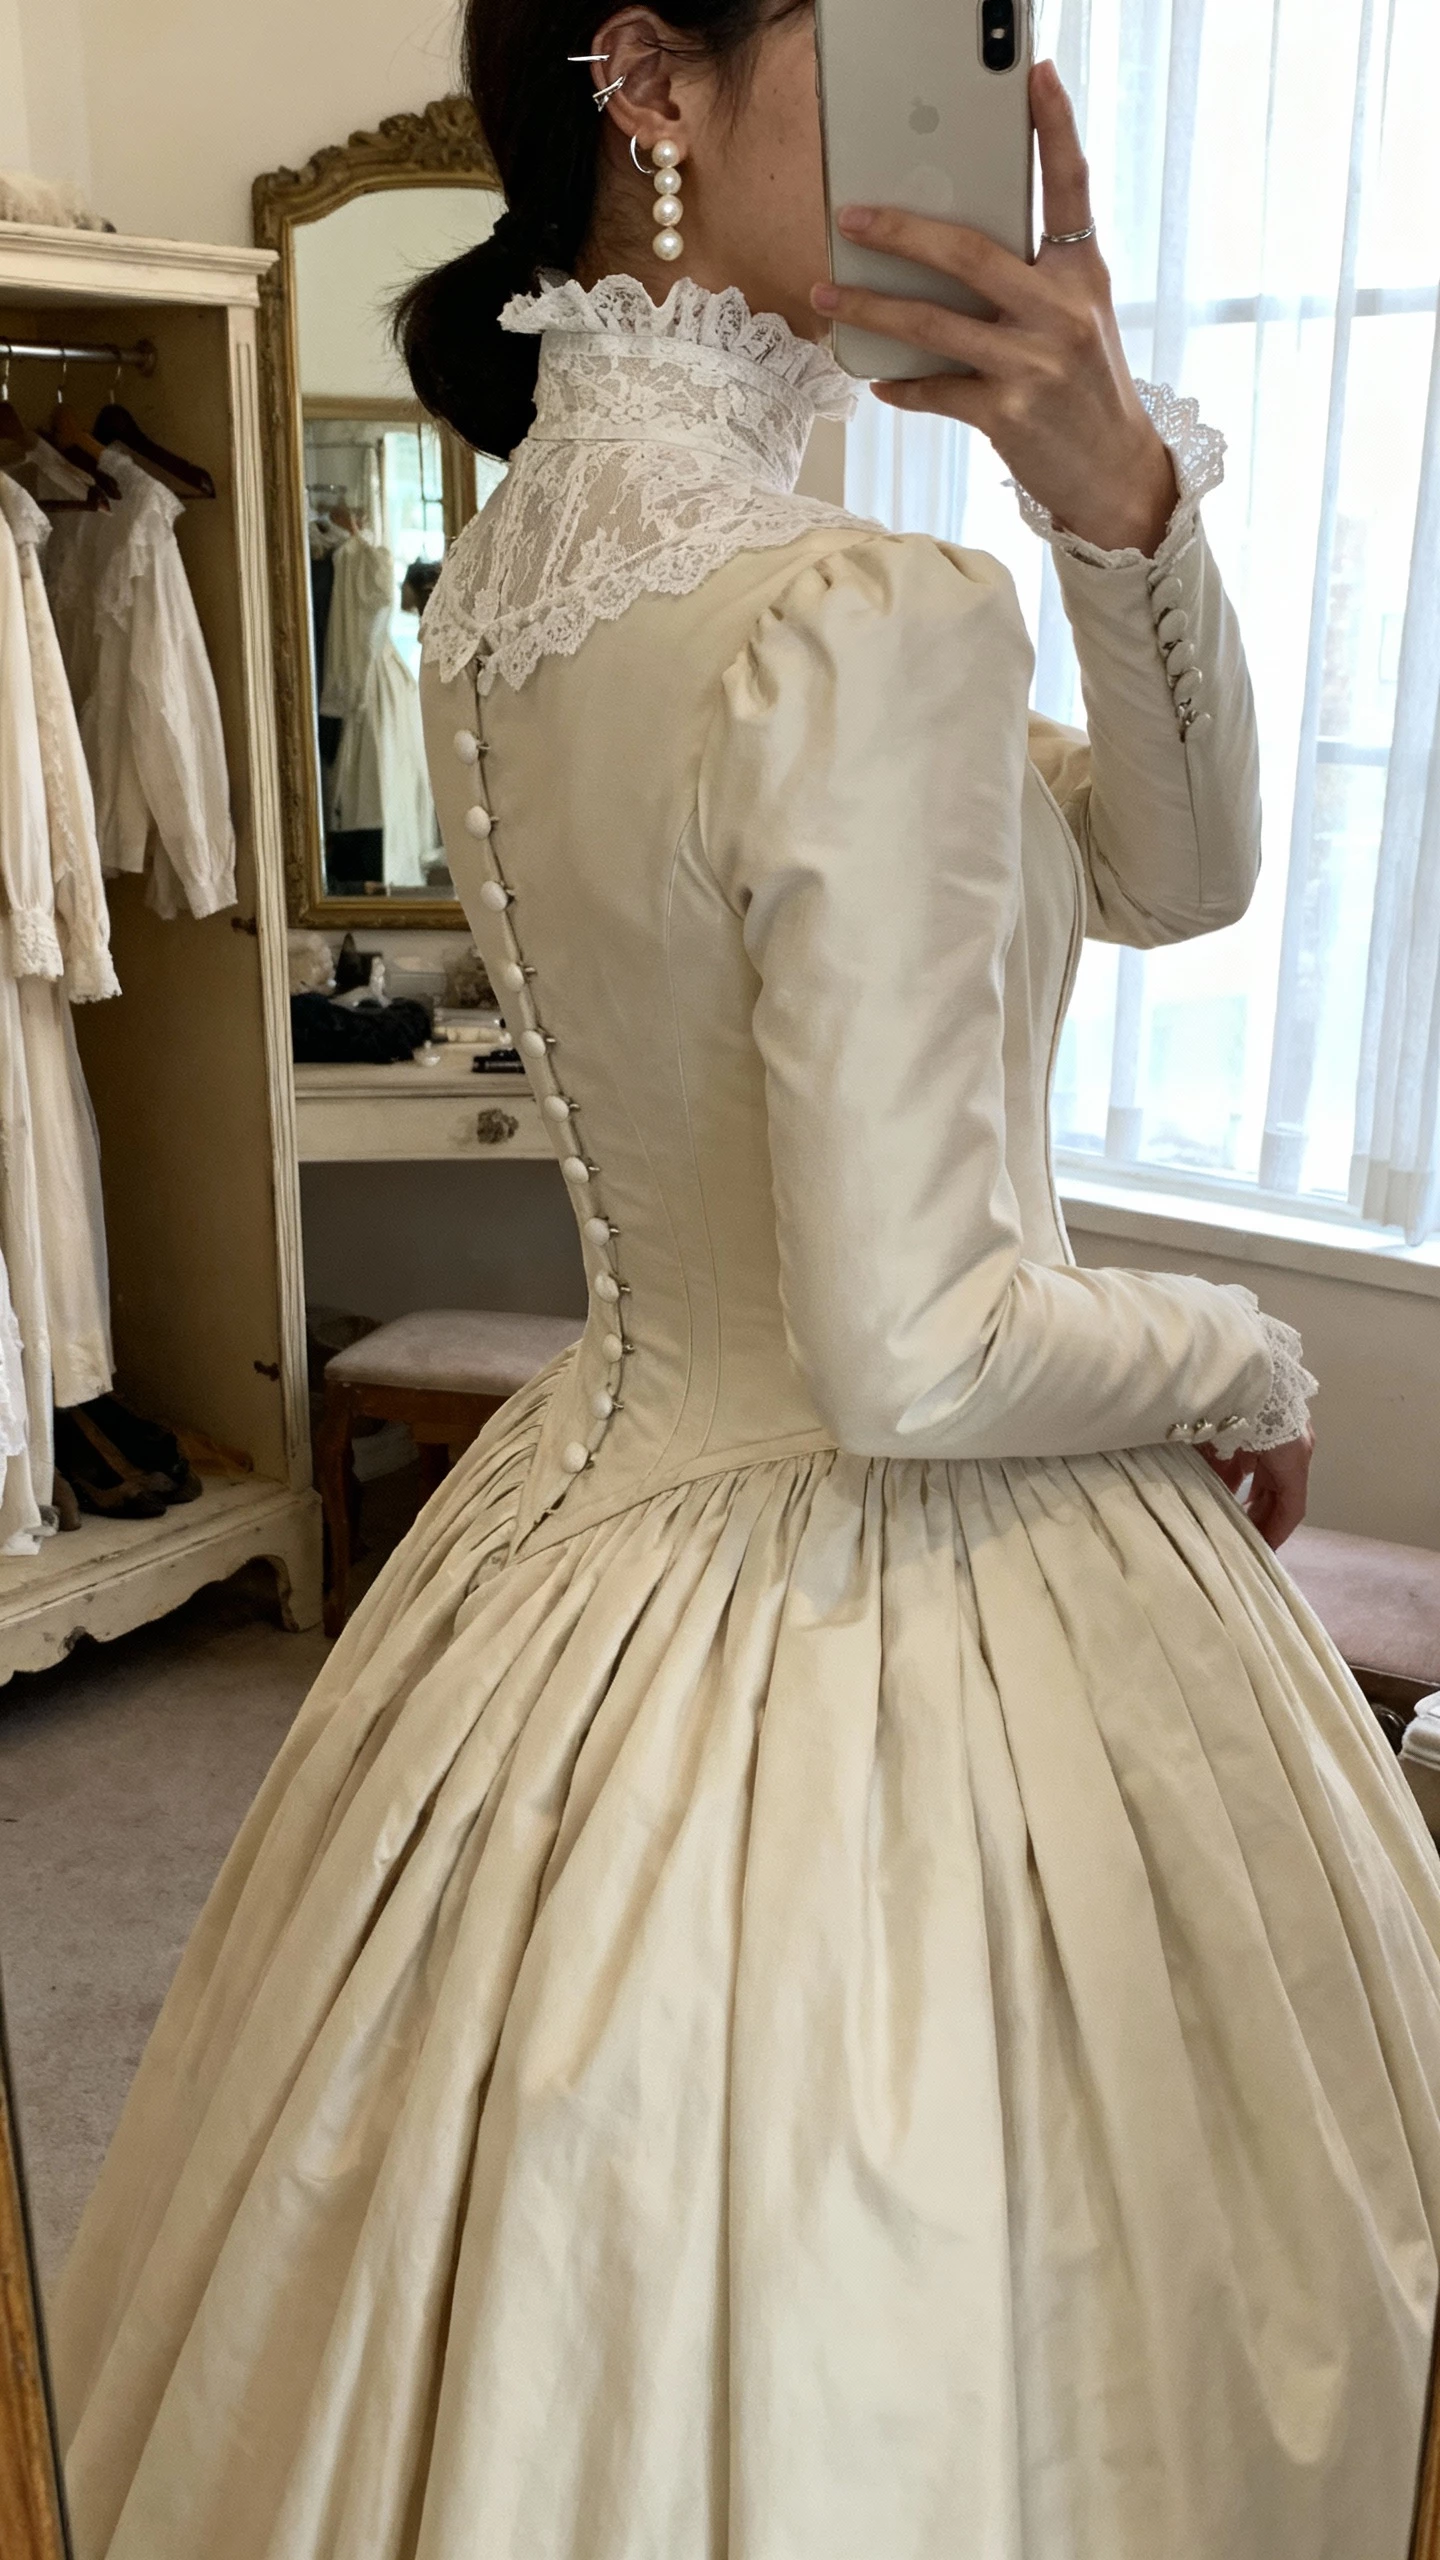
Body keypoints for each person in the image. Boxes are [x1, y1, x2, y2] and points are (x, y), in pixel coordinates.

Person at [51, 7, 1440, 2556]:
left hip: (574, 1559)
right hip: (913, 1580)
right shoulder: (850, 611)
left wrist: (1115, 505)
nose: (968, 100)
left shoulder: (511, 588)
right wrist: (1240, 1350)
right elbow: (925, 1346)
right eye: (886, 26)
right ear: (651, 82)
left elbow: (1172, 865)